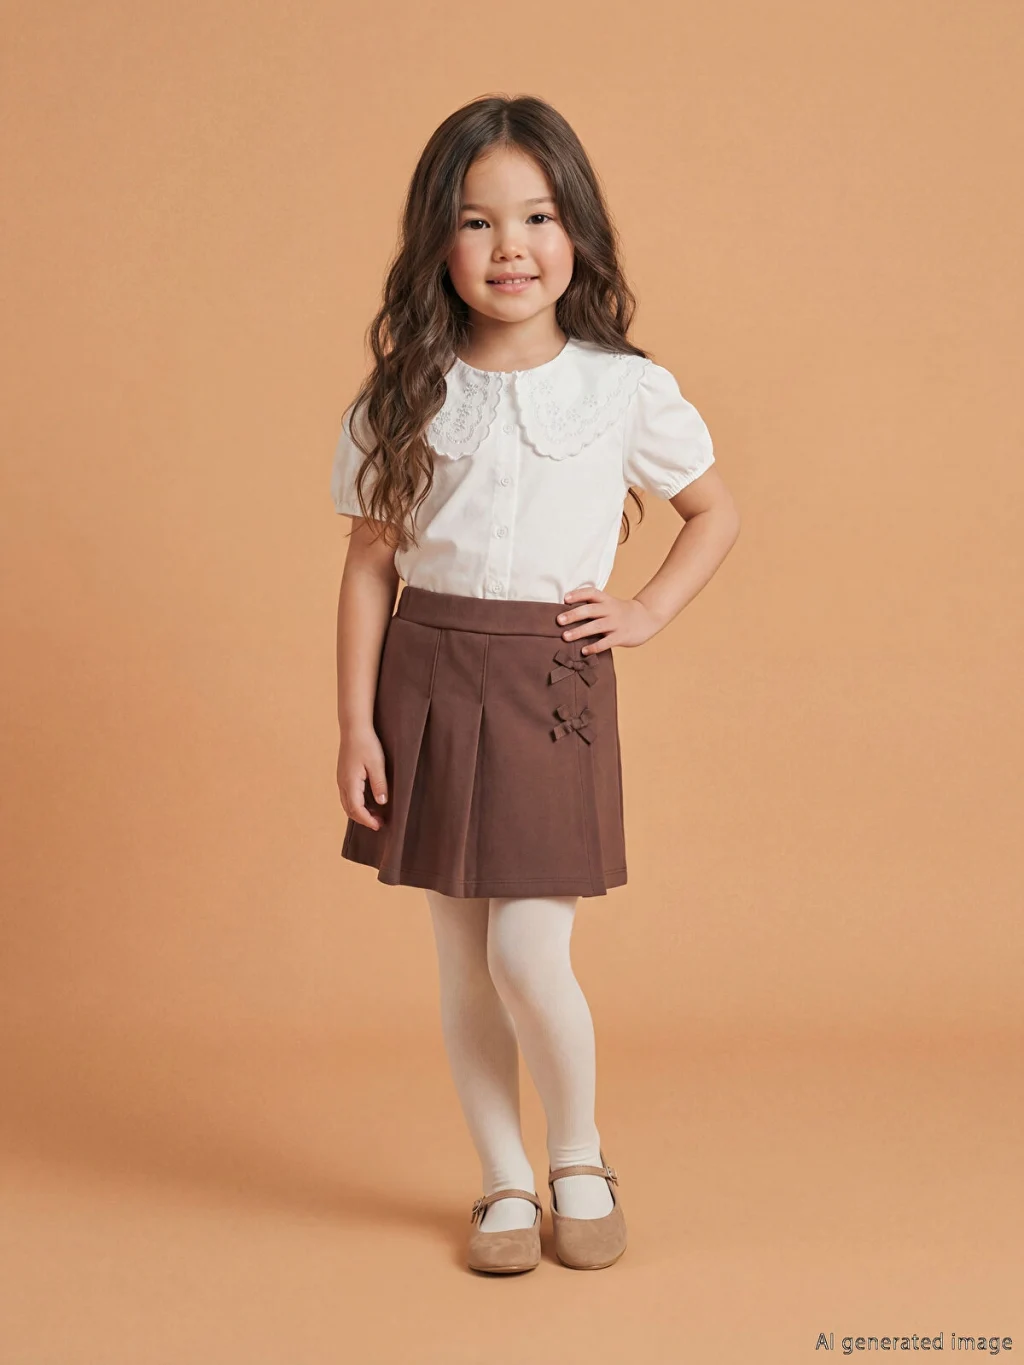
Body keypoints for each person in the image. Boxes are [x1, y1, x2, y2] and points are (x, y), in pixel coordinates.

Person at [331, 95, 740, 1275]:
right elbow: (367, 567)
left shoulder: (621, 388)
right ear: (437, 240)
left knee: (526, 950)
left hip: (547, 682)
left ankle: (577, 1154)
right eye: (476, 221)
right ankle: (503, 1180)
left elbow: (713, 511)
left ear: (577, 232)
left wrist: (646, 610)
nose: (509, 246)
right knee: (462, 958)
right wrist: (354, 724)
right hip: (423, 675)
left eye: (538, 217)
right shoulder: (403, 391)